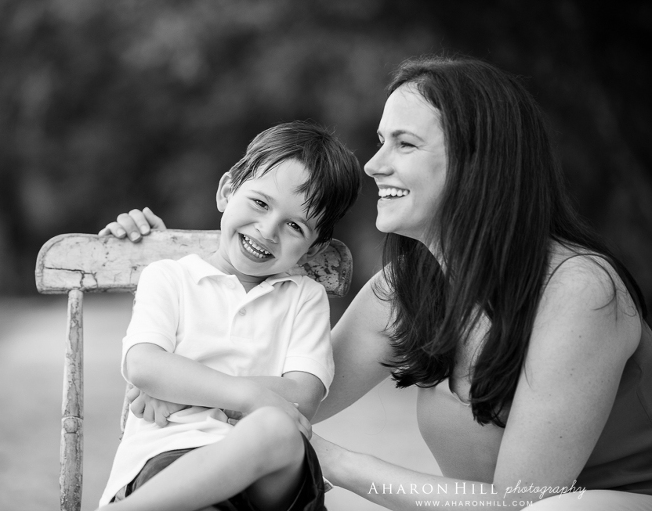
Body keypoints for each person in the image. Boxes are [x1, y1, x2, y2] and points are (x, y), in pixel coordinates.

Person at [100, 55, 652, 510]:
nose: (372, 165)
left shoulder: (579, 291)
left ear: (477, 165)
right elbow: (286, 392)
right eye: (381, 140)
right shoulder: (407, 291)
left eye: (404, 144)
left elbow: (521, 502)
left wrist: (336, 461)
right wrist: (179, 376)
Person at [97, 121, 361, 511]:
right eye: (260, 203)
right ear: (226, 191)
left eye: (294, 225)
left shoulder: (304, 297)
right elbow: (144, 365)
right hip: (170, 457)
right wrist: (254, 396)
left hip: (268, 477)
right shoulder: (170, 277)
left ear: (311, 249)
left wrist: (183, 391)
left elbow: (303, 396)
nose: (267, 230)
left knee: (276, 427)